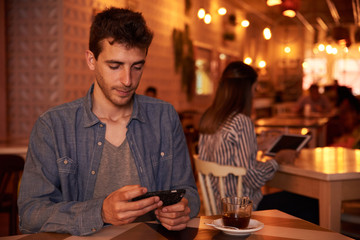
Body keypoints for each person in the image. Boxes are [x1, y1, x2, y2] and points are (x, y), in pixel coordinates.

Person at [18, 7, 200, 236]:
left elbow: (189, 192)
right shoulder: (53, 126)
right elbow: (30, 213)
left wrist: (184, 209)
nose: (127, 80)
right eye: (115, 66)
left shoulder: (164, 117)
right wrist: (100, 212)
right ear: (91, 60)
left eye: (137, 66)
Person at [198, 61, 296, 212]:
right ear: (245, 89)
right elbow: (252, 178)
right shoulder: (241, 122)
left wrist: (258, 145)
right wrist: (278, 159)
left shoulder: (209, 117)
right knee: (308, 202)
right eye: (254, 88)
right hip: (243, 211)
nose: (254, 94)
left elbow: (228, 157)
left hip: (219, 208)